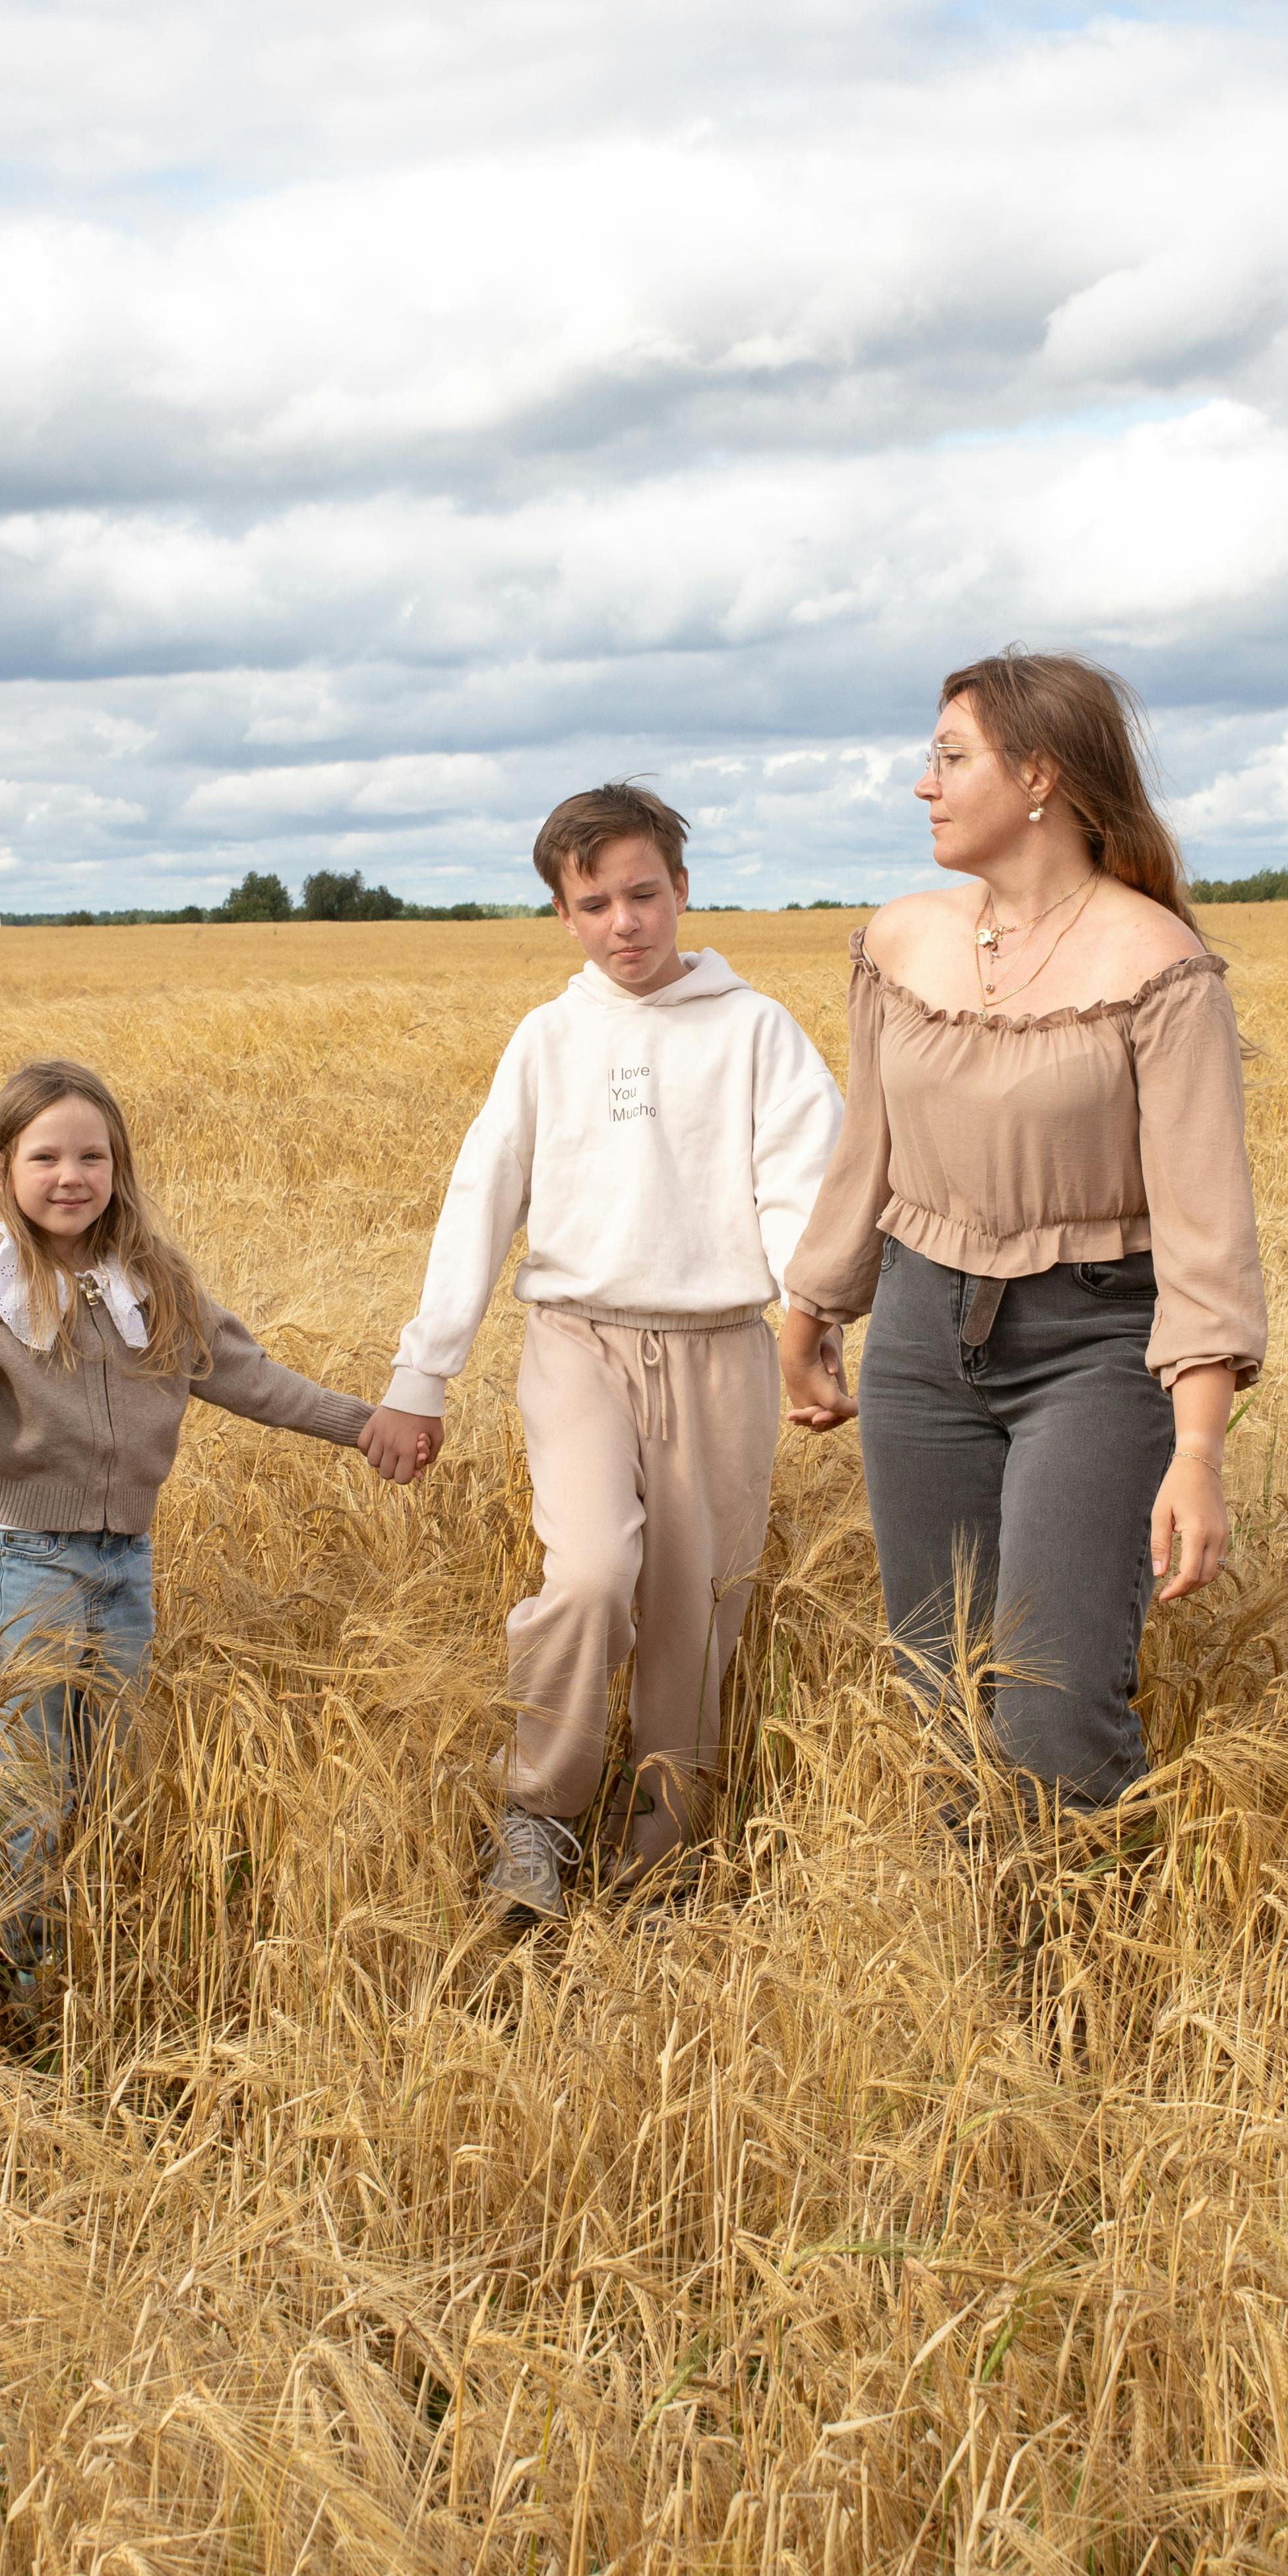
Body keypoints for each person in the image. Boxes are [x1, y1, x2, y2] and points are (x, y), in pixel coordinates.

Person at [776, 650, 1262, 1817]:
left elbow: (1207, 1229)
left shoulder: (1158, 967)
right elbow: (867, 1156)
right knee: (941, 1687)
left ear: (1039, 774)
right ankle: (982, 1975)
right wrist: (810, 1310)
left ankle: (1079, 1979)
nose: (922, 786)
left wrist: (1196, 1451)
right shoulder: (899, 942)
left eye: (950, 758)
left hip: (1095, 1345)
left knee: (1049, 1707)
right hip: (918, 1335)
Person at [362, 783, 848, 1920]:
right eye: (595, 903)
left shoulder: (756, 1031)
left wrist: (807, 1327)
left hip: (722, 1349)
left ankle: (662, 1851)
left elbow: (800, 1194)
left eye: (642, 894)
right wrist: (419, 1376)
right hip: (575, 1339)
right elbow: (480, 1200)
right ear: (563, 915)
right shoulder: (549, 1039)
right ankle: (536, 1817)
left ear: (682, 890)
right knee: (590, 1575)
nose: (624, 922)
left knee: (698, 1606)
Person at [0, 1059, 380, 2025]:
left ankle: (99, 1954)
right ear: (1, 1173)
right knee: (32, 1771)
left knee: (111, 1766)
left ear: (119, 1167)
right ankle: (19, 1975)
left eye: (92, 1156)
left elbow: (251, 1378)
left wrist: (364, 1425)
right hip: (30, 1563)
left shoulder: (153, 1284)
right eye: (45, 1157)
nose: (71, 1176)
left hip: (125, 1567)